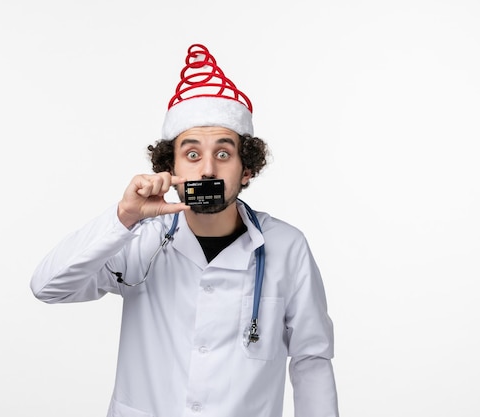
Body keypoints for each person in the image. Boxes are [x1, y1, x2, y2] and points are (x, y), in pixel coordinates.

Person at [31, 43, 339, 417]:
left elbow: (311, 358)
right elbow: (48, 287)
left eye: (223, 154)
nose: (207, 170)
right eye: (192, 154)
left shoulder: (286, 246)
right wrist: (123, 217)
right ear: (170, 169)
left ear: (246, 170)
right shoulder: (140, 238)